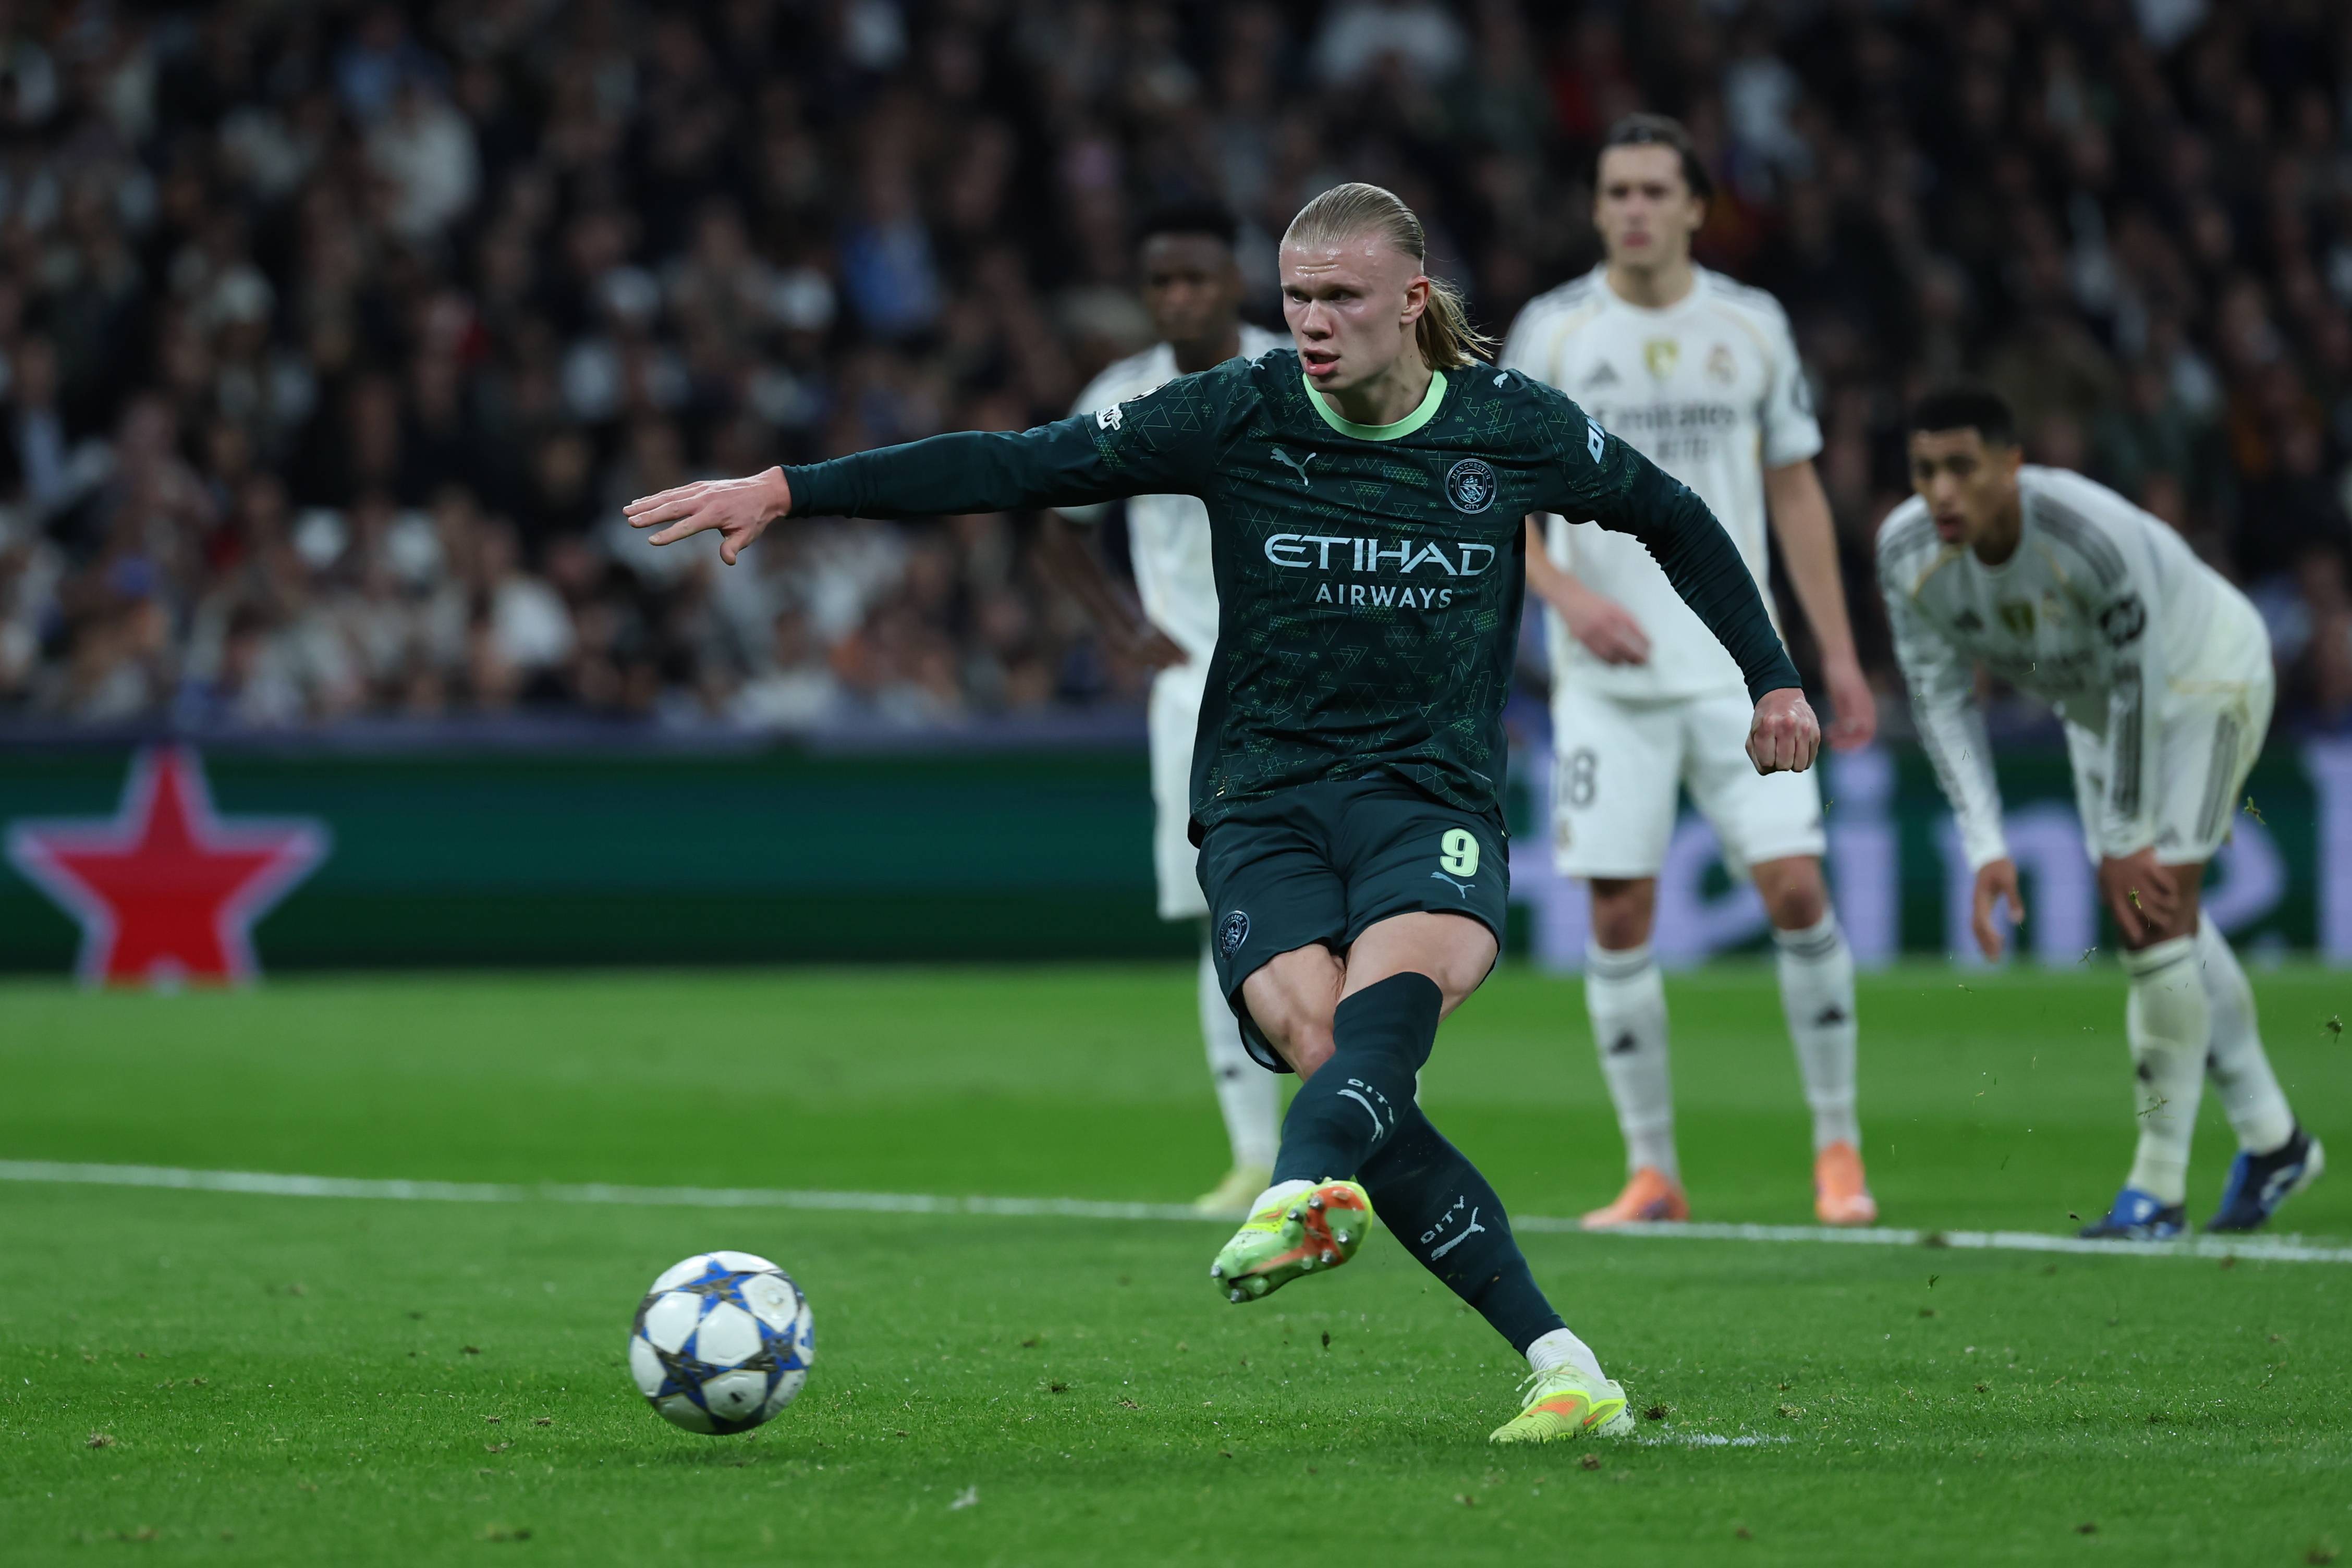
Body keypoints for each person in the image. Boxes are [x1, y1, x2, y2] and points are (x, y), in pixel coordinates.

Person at [626, 181, 1821, 1445]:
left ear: (1411, 300)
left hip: (1430, 795)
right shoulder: (1236, 410)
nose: (1311, 321)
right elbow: (1018, 465)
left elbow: (1674, 516)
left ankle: (1300, 1188)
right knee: (1330, 1051)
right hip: (1263, 801)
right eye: (1297, 296)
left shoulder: (1507, 423)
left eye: (1341, 297)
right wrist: (791, 488)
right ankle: (1565, 1365)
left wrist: (1773, 676)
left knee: (1381, 1030)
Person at [1501, 114, 1879, 1229]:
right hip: (1605, 680)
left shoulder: (1751, 326)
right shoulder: (1554, 331)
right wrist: (1569, 598)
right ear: (1595, 207)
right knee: (1620, 912)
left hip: (1736, 674)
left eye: (1655, 191)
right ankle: (1654, 1171)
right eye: (1617, 191)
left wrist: (1835, 656)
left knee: (1796, 888)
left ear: (1697, 208)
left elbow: (1796, 491)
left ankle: (1839, 1148)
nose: (1635, 209)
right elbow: (1495, 493)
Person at [1880, 385, 2323, 1239]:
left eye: (1962, 468)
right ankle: (2275, 1140)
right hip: (2097, 712)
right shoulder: (1905, 553)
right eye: (1924, 471)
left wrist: (2124, 841)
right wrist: (1985, 844)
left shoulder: (2088, 536)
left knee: (2151, 913)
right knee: (2161, 919)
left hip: (2204, 679)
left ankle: (2157, 1190)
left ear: (2012, 466)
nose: (1941, 492)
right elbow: (1939, 700)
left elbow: (2141, 680)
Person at [1040, 201, 1290, 1215]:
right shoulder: (1121, 395)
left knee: (1351, 910)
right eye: (1162, 282)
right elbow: (1057, 521)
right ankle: (1254, 1155)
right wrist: (1121, 625)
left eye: (1196, 278)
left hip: (1313, 681)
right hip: (1195, 693)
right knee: (1220, 918)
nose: (1179, 297)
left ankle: (1351, 1127)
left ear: (1234, 281)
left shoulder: (1297, 371)